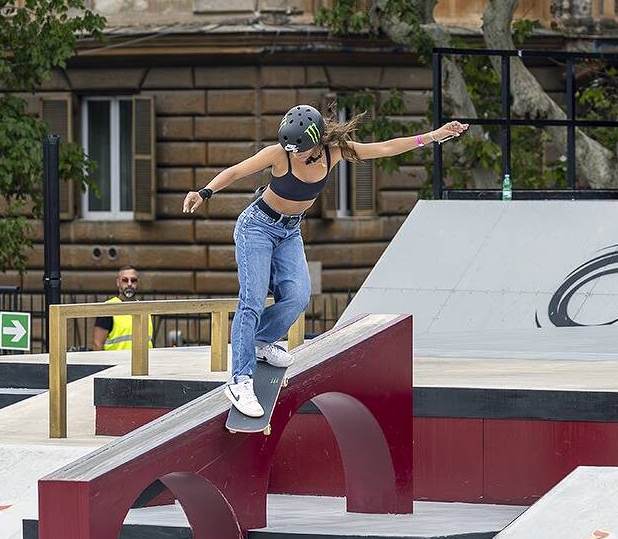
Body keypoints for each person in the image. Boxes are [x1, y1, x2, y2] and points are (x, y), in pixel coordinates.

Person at [183, 105, 468, 417]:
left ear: (317, 142)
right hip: (257, 228)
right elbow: (238, 170)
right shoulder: (279, 154)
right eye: (292, 151)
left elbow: (385, 148)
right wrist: (205, 191)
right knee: (251, 299)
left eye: (303, 152)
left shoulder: (336, 153)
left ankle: (261, 341)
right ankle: (240, 379)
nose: (297, 157)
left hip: (289, 232)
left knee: (297, 297)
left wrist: (435, 136)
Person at [91, 266, 153, 351]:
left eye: (133, 280)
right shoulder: (108, 308)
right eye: (125, 280)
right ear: (118, 283)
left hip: (143, 363)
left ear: (138, 283)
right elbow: (97, 344)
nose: (129, 284)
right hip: (116, 363)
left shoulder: (145, 309)